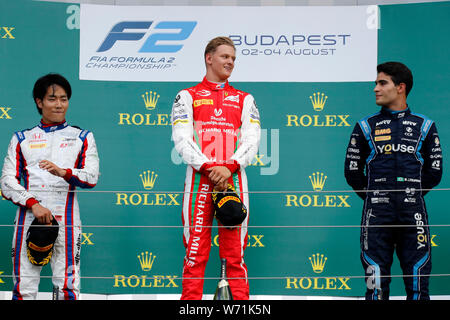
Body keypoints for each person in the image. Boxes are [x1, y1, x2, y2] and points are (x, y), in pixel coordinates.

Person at [171, 36, 261, 300]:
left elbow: (252, 140)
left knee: (235, 254)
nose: (230, 62)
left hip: (233, 181)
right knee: (195, 253)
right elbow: (182, 139)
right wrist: (212, 168)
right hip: (200, 182)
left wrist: (229, 166)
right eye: (225, 56)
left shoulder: (245, 98)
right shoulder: (186, 96)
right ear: (209, 58)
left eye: (233, 58)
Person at [344, 62, 443, 300]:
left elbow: (434, 172)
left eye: (382, 83)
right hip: (376, 213)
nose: (376, 89)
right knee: (375, 284)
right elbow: (352, 173)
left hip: (413, 213)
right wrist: (376, 196)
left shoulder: (425, 126)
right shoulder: (365, 126)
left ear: (400, 87)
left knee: (418, 281)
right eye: (376, 83)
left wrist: (410, 193)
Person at [0, 73, 100, 300]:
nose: (59, 104)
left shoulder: (82, 137)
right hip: (28, 218)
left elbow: (92, 177)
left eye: (64, 99)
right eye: (53, 99)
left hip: (68, 220)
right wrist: (33, 204)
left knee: (67, 288)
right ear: (39, 101)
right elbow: (7, 181)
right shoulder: (21, 138)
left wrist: (64, 172)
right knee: (23, 288)